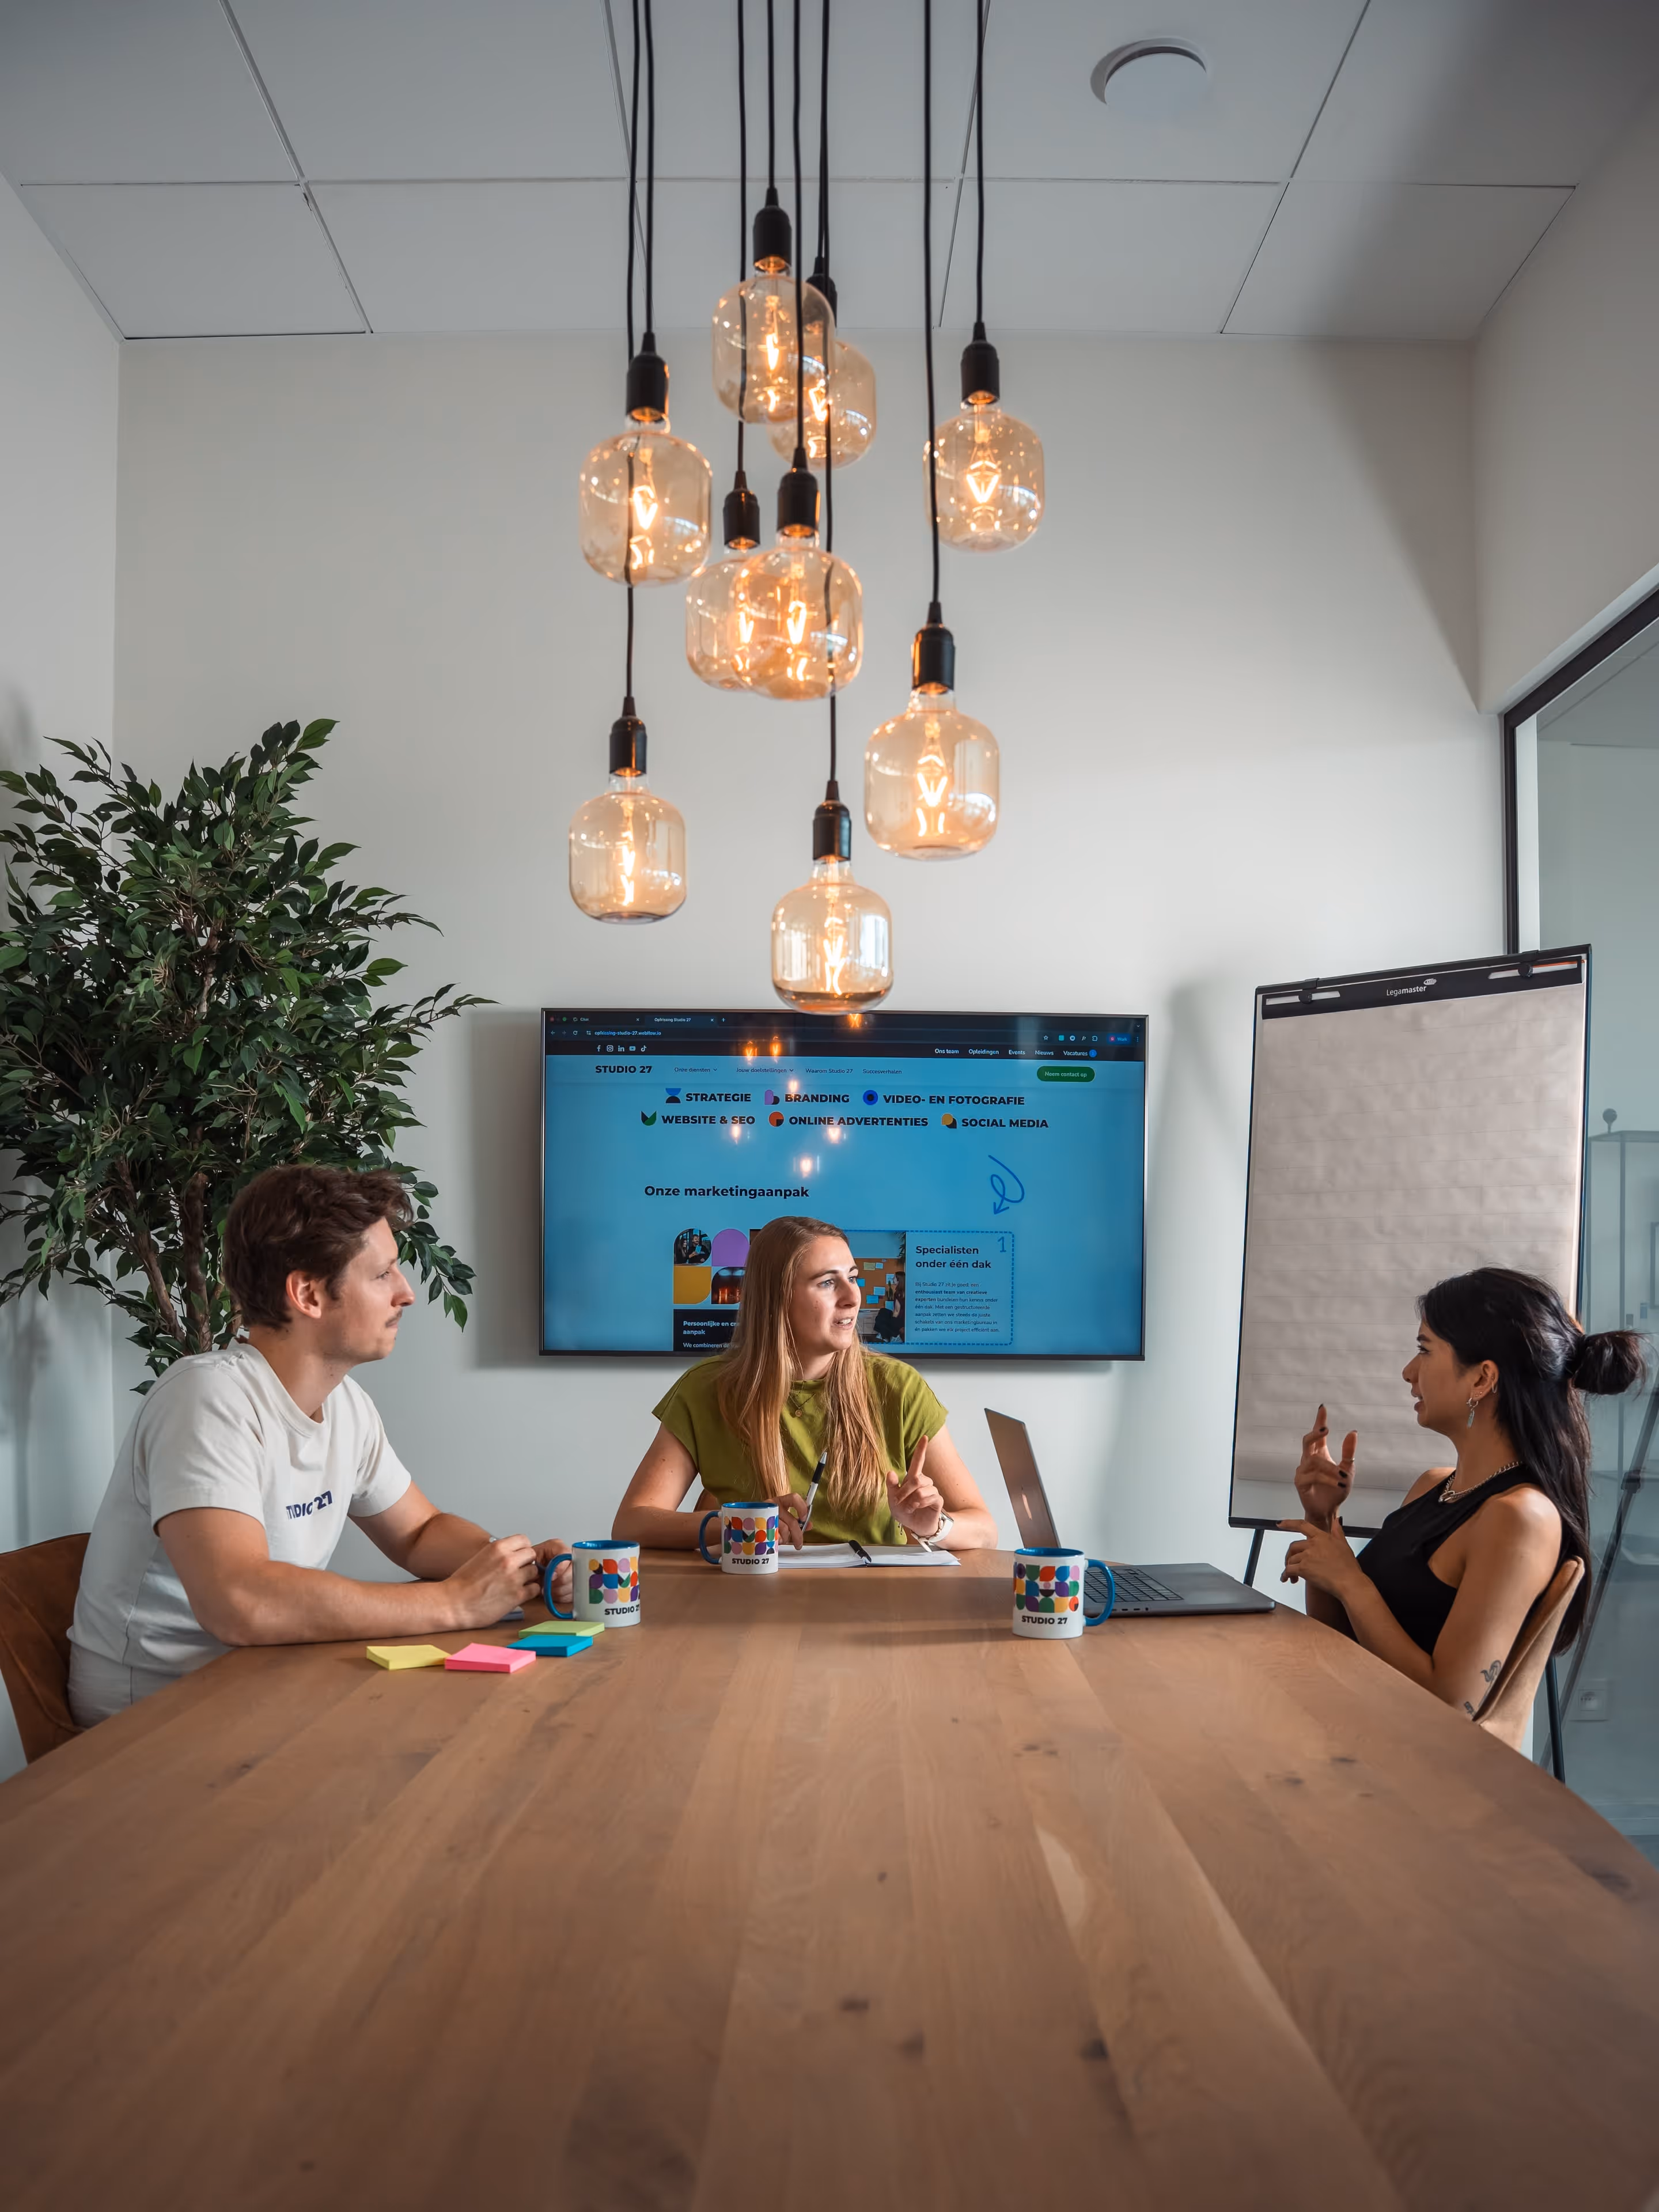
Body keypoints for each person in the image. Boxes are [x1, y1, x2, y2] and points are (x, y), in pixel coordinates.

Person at [68, 1164, 573, 1725]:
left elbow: (419, 1534)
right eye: (383, 1274)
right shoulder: (206, 1396)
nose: (406, 1294)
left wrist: (519, 1571)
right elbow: (239, 1601)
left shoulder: (348, 1407)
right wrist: (454, 1603)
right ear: (308, 1293)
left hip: (265, 1687)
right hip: (153, 1722)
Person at [1277, 1266, 1642, 1718]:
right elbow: (1338, 1640)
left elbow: (1452, 1707)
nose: (1409, 1371)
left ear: (1482, 1379)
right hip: (1351, 1721)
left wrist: (1353, 1583)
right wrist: (1323, 1520)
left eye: (1425, 1350)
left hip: (1409, 1765)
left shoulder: (1520, 1517)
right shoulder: (1433, 1485)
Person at [613, 1215, 998, 1552]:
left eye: (853, 1278)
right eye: (828, 1283)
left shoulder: (899, 1387)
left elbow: (984, 1530)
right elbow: (632, 1524)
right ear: (777, 1298)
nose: (853, 1298)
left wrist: (933, 1526)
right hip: (748, 1607)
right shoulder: (705, 1389)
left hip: (879, 1609)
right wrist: (736, 1525)